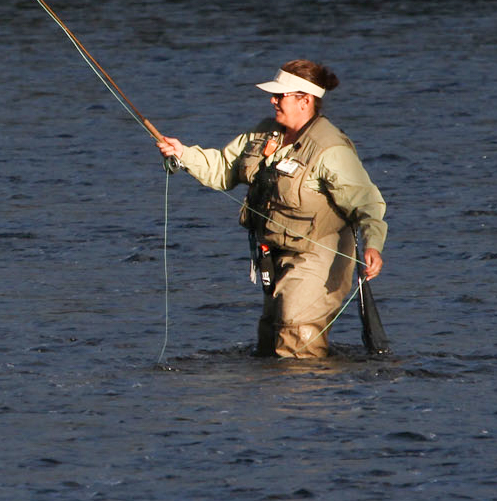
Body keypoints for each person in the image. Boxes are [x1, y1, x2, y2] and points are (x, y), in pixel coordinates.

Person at [154, 60, 388, 359]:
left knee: (295, 329)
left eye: (281, 95)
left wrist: (374, 246)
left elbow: (368, 203)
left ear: (305, 100)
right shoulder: (265, 133)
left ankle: (305, 402)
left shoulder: (331, 150)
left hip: (321, 256)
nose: (272, 100)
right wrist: (183, 153)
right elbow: (225, 169)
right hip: (274, 255)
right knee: (269, 338)